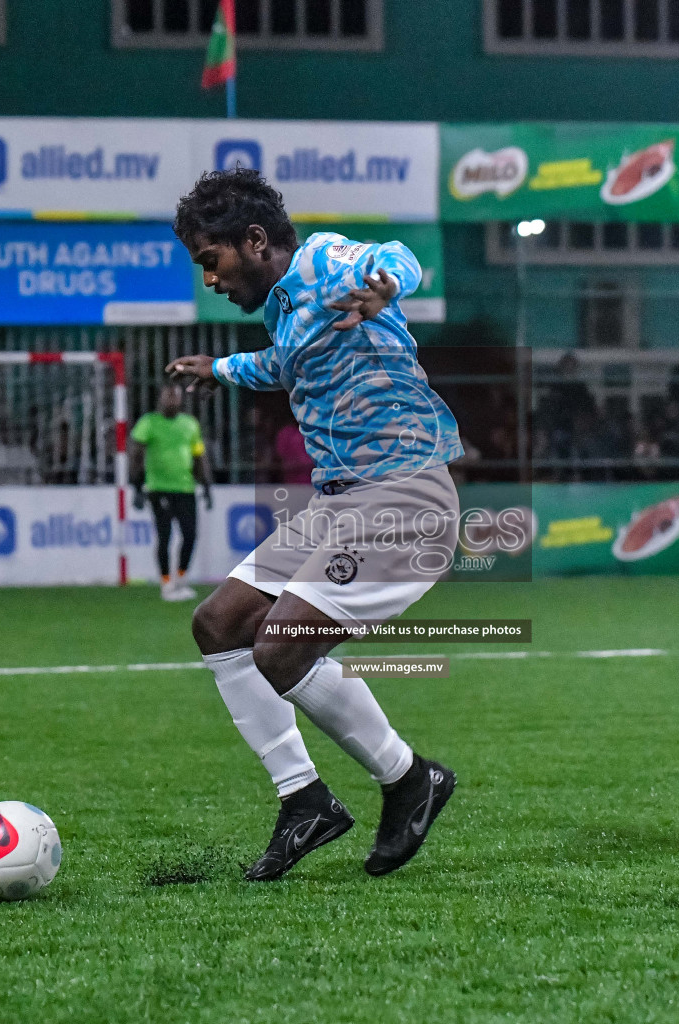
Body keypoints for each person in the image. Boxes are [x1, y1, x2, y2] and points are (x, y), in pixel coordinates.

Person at [165, 169, 464, 882]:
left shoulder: (325, 261)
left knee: (281, 649)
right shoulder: (284, 308)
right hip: (338, 505)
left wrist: (388, 282)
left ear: (256, 240)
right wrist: (223, 369)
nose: (210, 278)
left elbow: (393, 256)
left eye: (212, 260)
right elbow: (284, 362)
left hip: (403, 499)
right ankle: (304, 798)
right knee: (219, 622)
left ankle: (408, 778)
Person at [131, 383, 213, 601]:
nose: (171, 401)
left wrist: (206, 486)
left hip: (186, 488)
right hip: (159, 488)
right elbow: (136, 455)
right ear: (160, 399)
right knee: (165, 535)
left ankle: (181, 578)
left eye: (175, 397)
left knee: (190, 535)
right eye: (168, 397)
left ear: (180, 400)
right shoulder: (149, 423)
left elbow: (198, 456)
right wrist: (137, 487)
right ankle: (166, 584)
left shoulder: (189, 424)